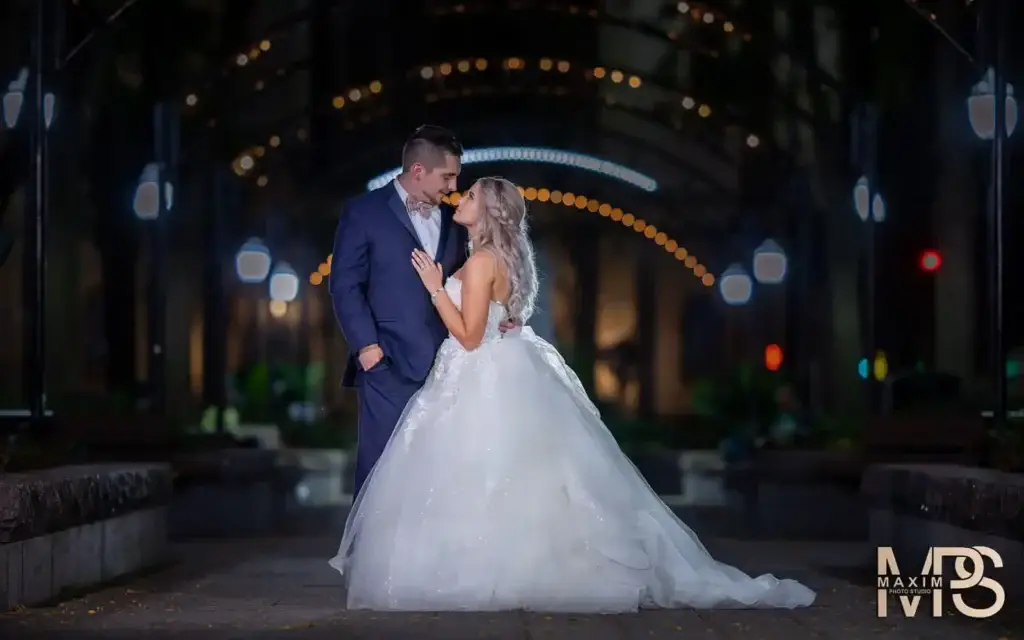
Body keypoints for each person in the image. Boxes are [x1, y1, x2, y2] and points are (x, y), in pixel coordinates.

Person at [328, 176, 817, 613]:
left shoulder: (478, 262)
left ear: (490, 210)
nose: (462, 195)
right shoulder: (491, 256)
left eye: (472, 193)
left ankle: (485, 570)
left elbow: (471, 337)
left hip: (475, 372)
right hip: (490, 369)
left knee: (478, 470)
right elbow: (501, 319)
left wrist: (436, 289)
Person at [330, 125, 516, 497]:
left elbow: (481, 275)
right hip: (389, 368)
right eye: (447, 175)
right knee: (382, 479)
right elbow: (345, 285)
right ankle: (372, 556)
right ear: (418, 171)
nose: (454, 186)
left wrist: (503, 315)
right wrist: (368, 351)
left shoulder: (455, 221)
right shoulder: (363, 212)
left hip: (450, 373)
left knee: (437, 484)